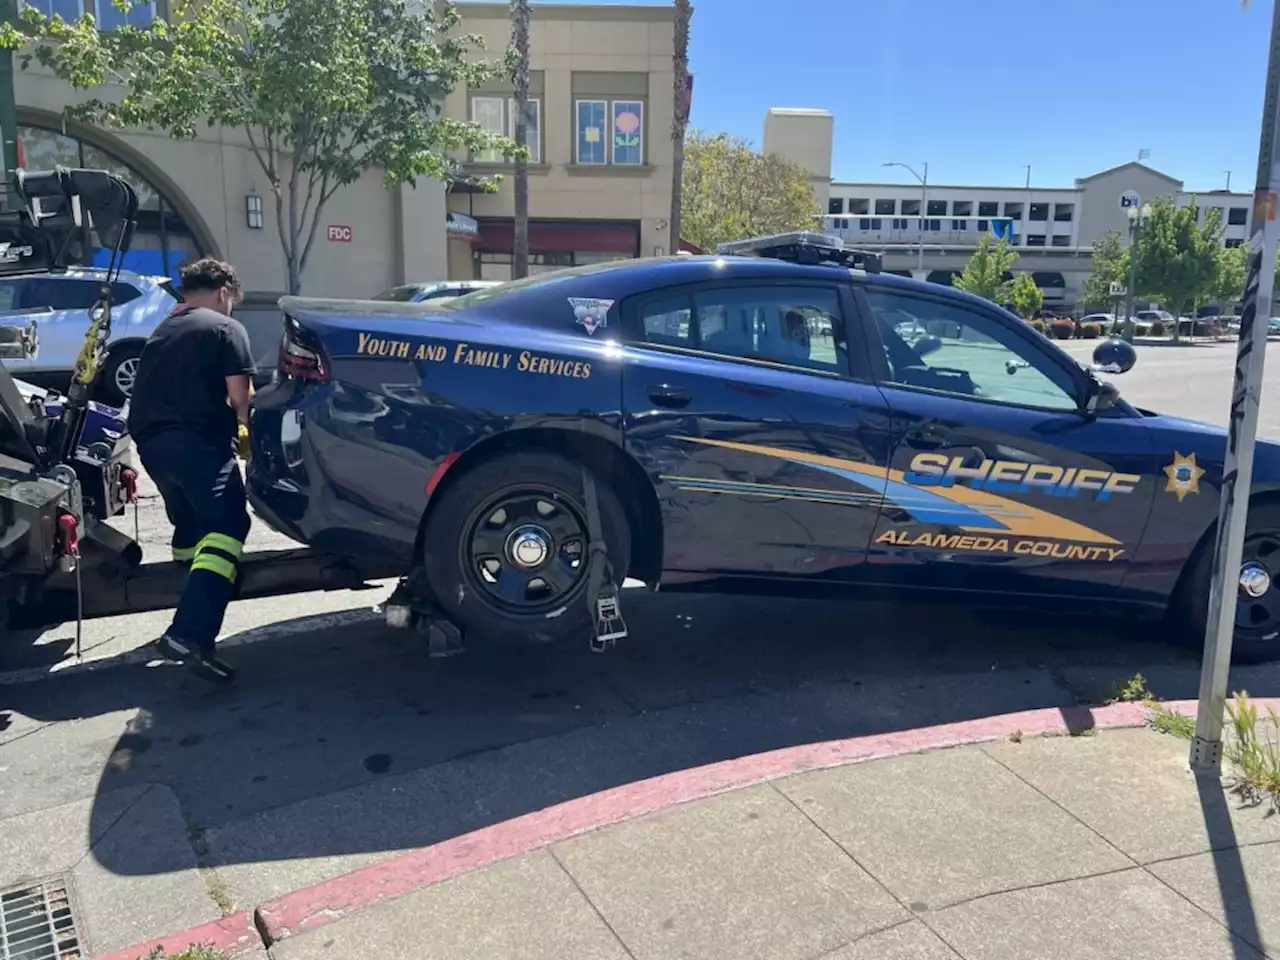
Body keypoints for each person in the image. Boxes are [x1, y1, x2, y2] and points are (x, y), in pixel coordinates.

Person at [126, 258, 254, 684]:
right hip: (197, 443)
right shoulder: (224, 328)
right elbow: (241, 398)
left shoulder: (164, 330)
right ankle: (190, 633)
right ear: (224, 293)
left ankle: (194, 582)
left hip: (152, 446)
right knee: (229, 523)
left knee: (192, 524)